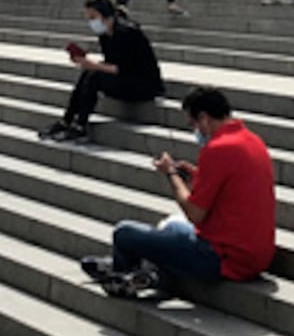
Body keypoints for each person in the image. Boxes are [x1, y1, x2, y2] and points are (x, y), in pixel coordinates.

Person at [80, 86, 277, 298]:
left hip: (223, 258)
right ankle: (141, 271)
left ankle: (123, 275)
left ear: (204, 118)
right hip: (256, 256)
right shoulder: (252, 140)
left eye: (193, 124)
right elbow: (230, 187)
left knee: (124, 232)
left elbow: (195, 213)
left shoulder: (218, 148)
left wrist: (171, 174)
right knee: (173, 225)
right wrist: (196, 175)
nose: (195, 131)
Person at [37, 0, 164, 143]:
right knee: (88, 73)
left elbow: (123, 68)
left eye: (93, 17)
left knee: (94, 76)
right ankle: (66, 120)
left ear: (106, 16)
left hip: (143, 84)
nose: (92, 22)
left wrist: (94, 65)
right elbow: (111, 63)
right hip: (126, 79)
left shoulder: (128, 32)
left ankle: (81, 126)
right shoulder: (105, 34)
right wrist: (88, 64)